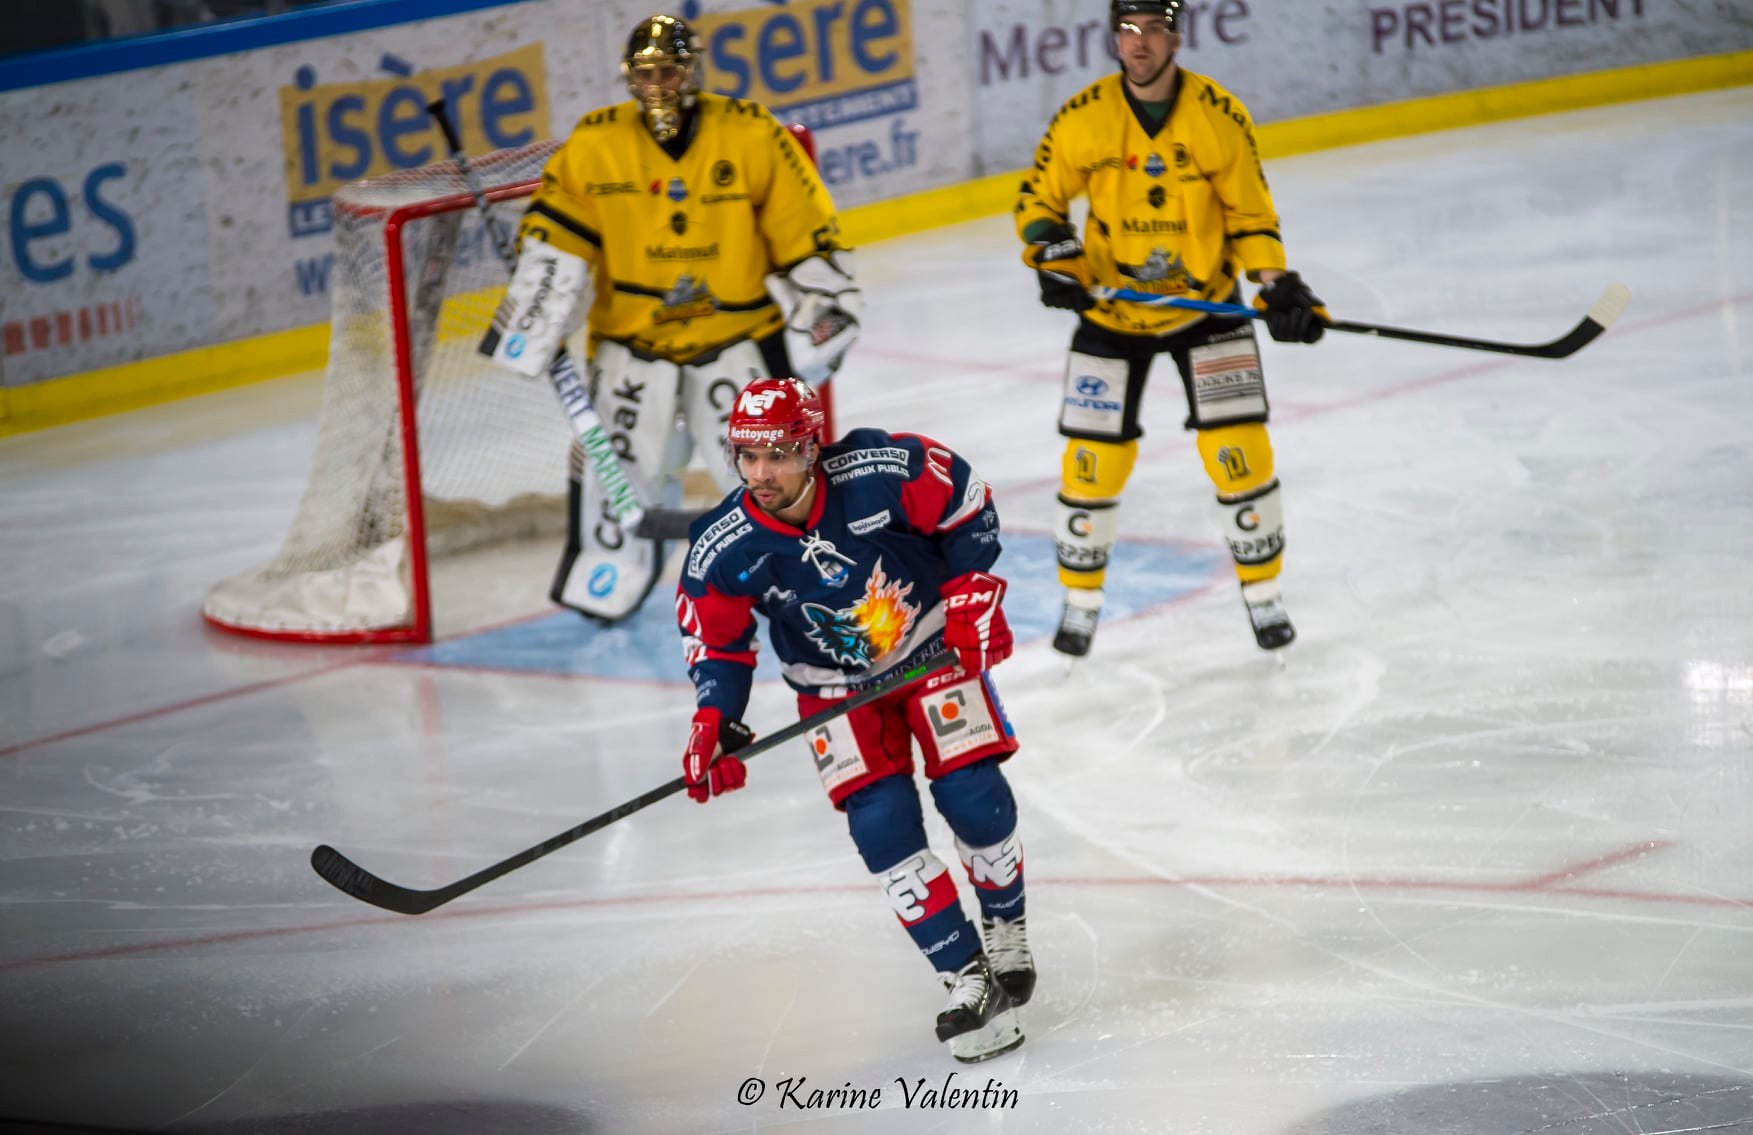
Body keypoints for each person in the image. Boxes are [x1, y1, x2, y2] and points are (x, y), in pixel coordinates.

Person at [674, 376, 1033, 1063]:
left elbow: (964, 501)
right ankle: (967, 977)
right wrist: (715, 716)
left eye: (776, 454)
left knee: (973, 797)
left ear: (811, 447)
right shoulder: (722, 546)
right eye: (745, 456)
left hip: (929, 647)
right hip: (832, 687)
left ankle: (1005, 926)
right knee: (880, 825)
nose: (759, 473)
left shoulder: (878, 470)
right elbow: (716, 642)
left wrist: (969, 586)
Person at [479, 13, 861, 623]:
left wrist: (825, 304)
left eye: (669, 70)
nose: (658, 84)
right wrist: (534, 312)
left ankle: (797, 568)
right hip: (632, 340)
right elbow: (555, 237)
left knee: (771, 463)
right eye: (644, 72)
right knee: (616, 463)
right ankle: (606, 573)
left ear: (693, 69)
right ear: (628, 76)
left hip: (737, 336)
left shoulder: (751, 132)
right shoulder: (596, 142)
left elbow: (804, 229)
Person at [1016, 0, 1328, 657]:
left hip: (1207, 310)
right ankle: (1080, 602)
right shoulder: (1083, 117)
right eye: (1128, 30)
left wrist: (1276, 285)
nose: (1139, 43)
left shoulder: (1217, 116)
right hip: (1110, 314)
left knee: (1238, 453)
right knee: (1090, 465)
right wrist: (1054, 261)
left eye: (1153, 29)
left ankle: (1262, 594)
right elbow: (1039, 201)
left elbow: (1250, 212)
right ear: (1114, 37)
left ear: (1176, 36)